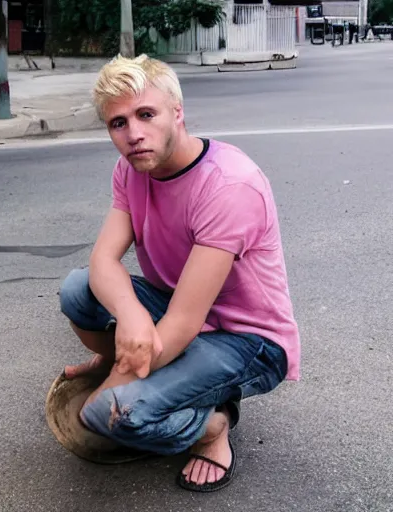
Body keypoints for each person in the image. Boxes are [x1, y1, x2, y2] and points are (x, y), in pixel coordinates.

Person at [59, 54, 300, 493]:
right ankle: (141, 364)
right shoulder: (131, 170)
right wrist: (130, 318)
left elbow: (185, 324)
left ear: (177, 111)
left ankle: (213, 426)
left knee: (108, 414)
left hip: (247, 337)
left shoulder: (228, 186)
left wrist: (114, 389)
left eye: (146, 115)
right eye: (118, 123)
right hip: (177, 307)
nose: (133, 134)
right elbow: (102, 263)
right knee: (78, 290)